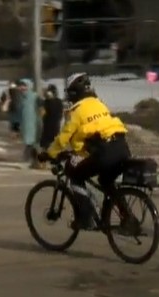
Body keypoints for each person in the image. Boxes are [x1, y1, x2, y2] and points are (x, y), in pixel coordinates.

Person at [37, 73, 132, 230]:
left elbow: (63, 138)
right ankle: (128, 219)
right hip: (122, 148)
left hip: (104, 153)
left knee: (74, 175)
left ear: (74, 92)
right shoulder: (99, 104)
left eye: (69, 93)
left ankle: (86, 218)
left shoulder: (76, 111)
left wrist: (49, 154)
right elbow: (91, 134)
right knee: (106, 181)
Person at [17, 79, 40, 164]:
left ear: (29, 86)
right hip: (25, 123)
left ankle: (26, 159)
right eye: (21, 86)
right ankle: (36, 160)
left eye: (24, 86)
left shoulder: (34, 96)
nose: (22, 88)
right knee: (31, 143)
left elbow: (41, 109)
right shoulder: (21, 98)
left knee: (31, 142)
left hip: (34, 123)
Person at [39, 84, 64, 152]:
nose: (48, 93)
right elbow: (42, 113)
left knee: (50, 143)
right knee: (48, 144)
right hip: (50, 125)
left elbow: (60, 113)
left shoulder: (55, 102)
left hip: (53, 125)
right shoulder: (47, 102)